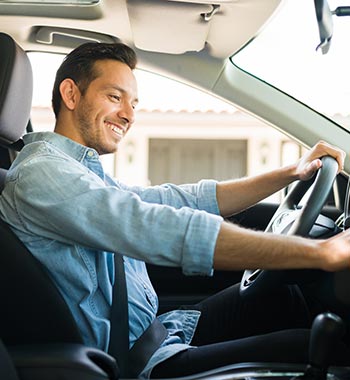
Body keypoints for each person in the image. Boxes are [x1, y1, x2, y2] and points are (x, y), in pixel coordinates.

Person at [1, 41, 350, 379]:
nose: (128, 115)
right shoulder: (43, 174)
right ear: (71, 94)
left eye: (134, 103)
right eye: (114, 97)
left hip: (160, 334)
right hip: (137, 364)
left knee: (283, 298)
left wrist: (291, 173)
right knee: (311, 347)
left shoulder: (80, 172)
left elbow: (178, 200)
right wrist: (319, 251)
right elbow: (156, 227)